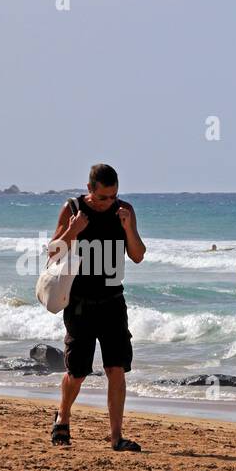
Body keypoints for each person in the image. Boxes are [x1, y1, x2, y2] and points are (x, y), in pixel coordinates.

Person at [49, 163, 146, 451]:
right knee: (77, 371)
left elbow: (138, 256)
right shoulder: (73, 208)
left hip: (113, 300)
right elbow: (53, 252)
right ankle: (62, 418)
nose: (109, 202)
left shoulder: (124, 210)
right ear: (90, 190)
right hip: (79, 303)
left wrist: (128, 227)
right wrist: (72, 229)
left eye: (114, 195)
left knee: (116, 368)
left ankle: (116, 436)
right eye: (104, 197)